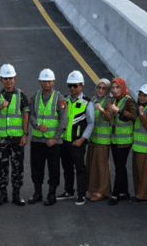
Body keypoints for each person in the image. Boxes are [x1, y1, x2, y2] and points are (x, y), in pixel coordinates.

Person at [0, 64, 30, 206]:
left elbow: (26, 115)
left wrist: (25, 134)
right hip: (1, 139)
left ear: (15, 79)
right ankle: (3, 194)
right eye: (5, 78)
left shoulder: (21, 95)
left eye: (11, 78)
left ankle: (17, 194)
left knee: (18, 166)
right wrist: (0, 107)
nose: (8, 81)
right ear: (1, 80)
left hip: (17, 138)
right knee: (2, 166)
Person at [28, 69, 67, 206]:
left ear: (54, 82)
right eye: (44, 81)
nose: (46, 84)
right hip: (37, 139)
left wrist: (55, 138)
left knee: (53, 168)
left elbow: (63, 120)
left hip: (53, 142)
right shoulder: (35, 97)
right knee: (36, 168)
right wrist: (37, 125)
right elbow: (31, 115)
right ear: (40, 82)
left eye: (49, 81)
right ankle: (37, 193)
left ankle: (52, 194)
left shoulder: (59, 98)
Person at [58, 71, 95, 206]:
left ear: (82, 86)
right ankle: (68, 191)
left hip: (78, 142)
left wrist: (82, 139)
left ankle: (81, 193)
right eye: (70, 85)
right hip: (65, 141)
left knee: (80, 168)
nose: (72, 88)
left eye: (75, 85)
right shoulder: (65, 100)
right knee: (67, 167)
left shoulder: (87, 103)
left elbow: (91, 123)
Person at [106, 77, 136, 206]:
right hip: (114, 139)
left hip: (125, 139)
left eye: (117, 87)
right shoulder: (112, 100)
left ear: (122, 87)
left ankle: (115, 194)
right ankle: (124, 191)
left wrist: (118, 110)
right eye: (113, 87)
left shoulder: (128, 100)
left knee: (119, 166)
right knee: (120, 166)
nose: (115, 90)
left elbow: (134, 116)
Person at [130, 85, 147, 203]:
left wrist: (141, 114)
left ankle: (144, 196)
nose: (141, 97)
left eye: (145, 95)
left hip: (146, 146)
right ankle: (139, 194)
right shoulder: (140, 107)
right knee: (138, 172)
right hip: (138, 145)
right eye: (140, 95)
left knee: (145, 173)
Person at [87, 79, 112, 202]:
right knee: (92, 165)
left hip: (103, 140)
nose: (100, 90)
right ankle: (93, 189)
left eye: (104, 88)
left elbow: (109, 117)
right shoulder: (92, 99)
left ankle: (102, 191)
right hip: (93, 138)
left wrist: (101, 109)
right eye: (99, 87)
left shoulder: (108, 101)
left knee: (102, 167)